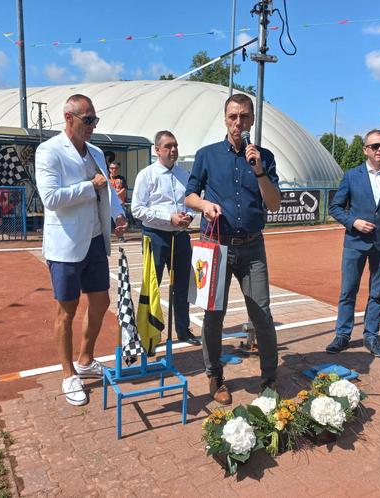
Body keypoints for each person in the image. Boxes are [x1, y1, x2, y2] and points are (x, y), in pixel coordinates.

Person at [185, 93, 281, 405]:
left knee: (262, 313)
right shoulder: (207, 155)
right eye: (232, 116)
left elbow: (274, 203)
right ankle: (215, 376)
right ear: (225, 119)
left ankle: (269, 377)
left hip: (252, 247)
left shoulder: (263, 157)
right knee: (214, 314)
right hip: (217, 247)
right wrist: (204, 204)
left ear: (252, 119)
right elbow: (189, 196)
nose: (238, 122)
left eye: (244, 116)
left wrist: (259, 171)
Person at [35, 94, 128, 406]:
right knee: (66, 310)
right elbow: (50, 198)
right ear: (68, 117)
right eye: (87, 120)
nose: (92, 125)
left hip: (95, 240)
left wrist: (118, 214)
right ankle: (68, 373)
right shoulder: (49, 151)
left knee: (101, 301)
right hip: (65, 246)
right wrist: (91, 187)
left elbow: (108, 190)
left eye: (95, 120)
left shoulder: (97, 152)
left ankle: (86, 358)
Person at [325, 129, 380, 359]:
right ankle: (342, 335)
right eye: (375, 146)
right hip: (355, 242)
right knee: (348, 291)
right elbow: (335, 207)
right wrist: (353, 222)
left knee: (377, 293)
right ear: (365, 150)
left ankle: (371, 335)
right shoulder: (352, 176)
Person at [131, 130, 200, 346]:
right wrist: (168, 218)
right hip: (155, 236)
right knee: (152, 284)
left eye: (176, 146)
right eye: (168, 146)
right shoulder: (147, 175)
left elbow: (193, 203)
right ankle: (148, 332)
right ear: (157, 150)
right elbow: (137, 210)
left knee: (182, 286)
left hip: (180, 237)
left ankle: (183, 329)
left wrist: (189, 216)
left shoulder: (185, 175)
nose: (173, 150)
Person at [108, 161, 129, 242]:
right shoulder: (106, 178)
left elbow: (124, 189)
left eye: (116, 168)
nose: (114, 170)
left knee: (120, 221)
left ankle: (120, 237)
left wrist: (114, 195)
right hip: (108, 204)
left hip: (120, 203)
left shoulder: (121, 178)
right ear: (109, 169)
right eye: (112, 168)